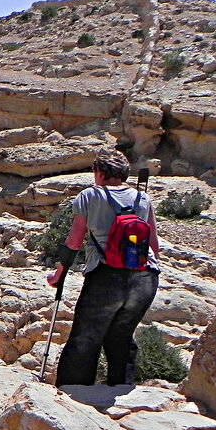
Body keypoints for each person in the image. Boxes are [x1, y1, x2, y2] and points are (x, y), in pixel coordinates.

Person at [46, 150, 160, 387]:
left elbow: (74, 242)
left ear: (99, 172)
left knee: (86, 338)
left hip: (106, 276)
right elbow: (154, 246)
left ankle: (72, 395)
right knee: (122, 335)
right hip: (145, 277)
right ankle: (121, 388)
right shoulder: (143, 198)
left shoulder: (90, 195)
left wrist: (59, 273)